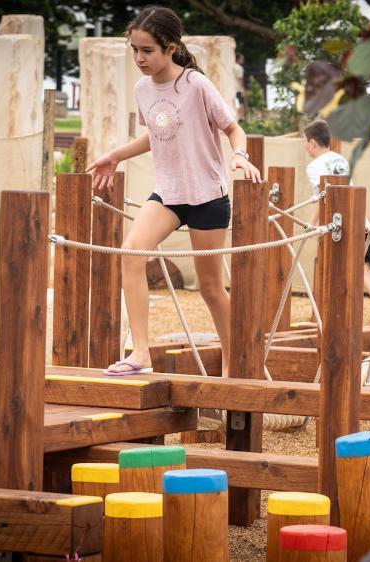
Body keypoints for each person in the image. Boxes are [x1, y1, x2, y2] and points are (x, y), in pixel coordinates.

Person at [87, 6, 261, 375]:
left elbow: (233, 128)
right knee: (131, 253)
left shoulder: (195, 84)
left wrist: (240, 156)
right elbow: (156, 132)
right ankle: (141, 354)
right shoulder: (142, 88)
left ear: (170, 48)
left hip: (207, 197)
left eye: (147, 50)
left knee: (211, 288)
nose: (139, 58)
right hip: (168, 193)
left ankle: (235, 362)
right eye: (134, 49)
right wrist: (115, 155)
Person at [303, 119, 370, 321]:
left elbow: (324, 196)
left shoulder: (314, 166)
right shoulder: (341, 159)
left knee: (336, 273)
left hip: (339, 226)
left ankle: (335, 317)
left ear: (312, 143)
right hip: (360, 221)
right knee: (364, 272)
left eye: (306, 142)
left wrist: (312, 224)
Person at [234, 53, 247, 120]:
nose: (243, 60)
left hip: (232, 88)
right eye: (241, 59)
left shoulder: (232, 66)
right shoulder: (239, 68)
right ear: (238, 59)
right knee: (240, 103)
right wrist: (242, 89)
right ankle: (240, 118)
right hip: (238, 88)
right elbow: (240, 79)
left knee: (236, 103)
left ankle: (237, 117)